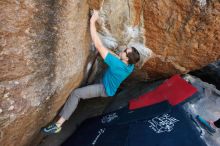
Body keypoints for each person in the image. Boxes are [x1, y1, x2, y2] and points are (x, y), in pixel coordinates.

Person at [42, 10, 140, 134]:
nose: (124, 49)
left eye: (125, 51)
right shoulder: (130, 66)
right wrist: (107, 51)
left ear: (126, 58)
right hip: (107, 83)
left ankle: (58, 125)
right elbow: (116, 57)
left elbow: (99, 46)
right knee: (91, 83)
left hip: (104, 88)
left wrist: (92, 21)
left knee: (76, 94)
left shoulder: (117, 65)